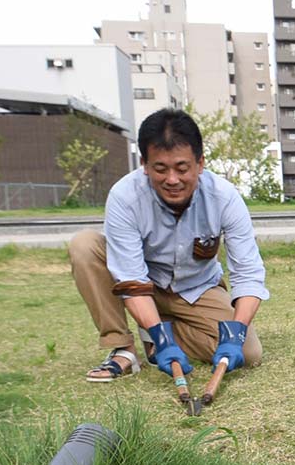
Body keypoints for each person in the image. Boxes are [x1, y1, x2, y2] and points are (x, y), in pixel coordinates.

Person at [69, 108, 267, 384]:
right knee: (84, 245)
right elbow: (130, 278)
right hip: (142, 284)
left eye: (182, 168)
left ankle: (155, 337)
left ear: (200, 163)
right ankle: (124, 349)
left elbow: (248, 274)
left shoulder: (224, 197)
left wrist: (235, 334)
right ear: (145, 165)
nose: (172, 179)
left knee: (249, 352)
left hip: (198, 287)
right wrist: (163, 336)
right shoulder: (125, 196)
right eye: (160, 169)